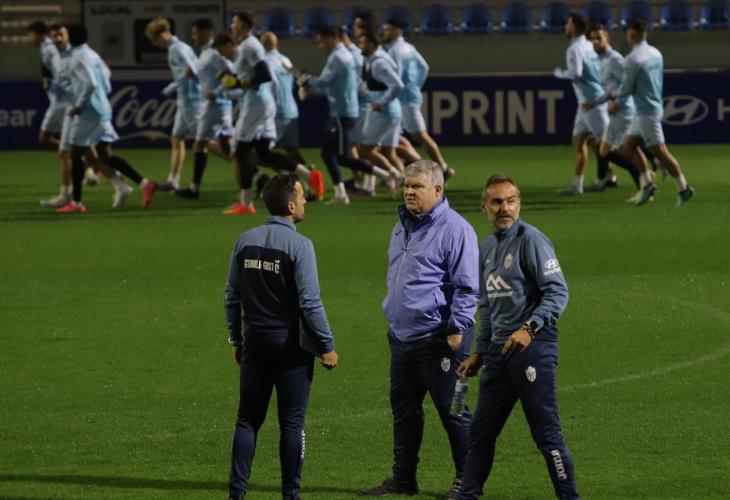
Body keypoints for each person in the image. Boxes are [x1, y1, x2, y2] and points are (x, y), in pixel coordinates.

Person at [455, 175, 579, 500]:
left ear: (519, 203)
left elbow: (558, 292)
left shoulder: (532, 240)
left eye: (510, 201)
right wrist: (479, 353)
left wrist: (530, 328)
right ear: (484, 207)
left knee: (546, 434)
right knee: (480, 433)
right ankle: (468, 495)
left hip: (533, 349)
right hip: (498, 356)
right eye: (496, 202)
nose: (504, 208)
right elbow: (488, 307)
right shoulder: (485, 248)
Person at [361, 160, 479, 499]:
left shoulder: (456, 229)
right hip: (402, 339)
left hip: (443, 339)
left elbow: (468, 287)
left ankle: (468, 482)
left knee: (455, 409)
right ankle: (403, 478)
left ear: (438, 190)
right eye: (407, 186)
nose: (409, 192)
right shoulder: (402, 225)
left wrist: (457, 328)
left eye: (417, 187)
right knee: (404, 411)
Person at [224, 173, 339, 500]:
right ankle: (291, 494)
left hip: (255, 342)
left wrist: (236, 339)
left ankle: (236, 494)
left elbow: (231, 296)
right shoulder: (300, 246)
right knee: (291, 424)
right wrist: (327, 345)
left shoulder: (244, 240)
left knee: (247, 421)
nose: (305, 201)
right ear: (290, 206)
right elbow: (310, 302)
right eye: (302, 196)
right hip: (290, 347)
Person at [222, 12, 323, 215]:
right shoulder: (248, 46)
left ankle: (246, 204)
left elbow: (265, 75)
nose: (231, 25)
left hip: (255, 105)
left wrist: (239, 82)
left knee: (240, 152)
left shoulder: (250, 46)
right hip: (261, 103)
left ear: (242, 24)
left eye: (234, 22)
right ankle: (308, 175)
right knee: (263, 153)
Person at [59, 23, 157, 213]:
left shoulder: (78, 58)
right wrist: (101, 97)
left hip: (89, 112)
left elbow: (91, 83)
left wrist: (79, 105)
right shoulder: (93, 54)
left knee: (75, 154)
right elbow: (105, 76)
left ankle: (77, 203)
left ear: (70, 37)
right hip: (102, 108)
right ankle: (145, 183)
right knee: (104, 155)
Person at [603, 19, 694, 207]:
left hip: (646, 112)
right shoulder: (656, 53)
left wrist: (613, 97)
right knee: (628, 145)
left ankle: (684, 188)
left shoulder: (632, 59)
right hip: (649, 107)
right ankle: (647, 184)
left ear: (631, 34)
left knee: (661, 152)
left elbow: (626, 89)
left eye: (628, 33)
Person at [299, 26, 385, 205]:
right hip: (343, 111)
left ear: (330, 38)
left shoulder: (337, 57)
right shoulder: (342, 55)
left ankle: (386, 175)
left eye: (321, 42)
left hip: (342, 113)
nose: (320, 46)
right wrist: (311, 87)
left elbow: (323, 82)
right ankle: (342, 193)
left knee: (340, 157)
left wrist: (305, 79)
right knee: (330, 154)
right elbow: (330, 86)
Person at [381, 19, 451, 179]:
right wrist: (415, 85)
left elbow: (396, 74)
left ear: (398, 31)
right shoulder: (409, 47)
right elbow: (424, 67)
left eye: (388, 30)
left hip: (402, 98)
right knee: (392, 140)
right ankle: (395, 173)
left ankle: (443, 168)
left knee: (419, 135)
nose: (385, 33)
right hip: (408, 95)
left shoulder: (396, 50)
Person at [176, 22, 235, 199]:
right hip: (214, 105)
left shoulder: (214, 53)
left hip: (216, 106)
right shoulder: (204, 53)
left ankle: (194, 188)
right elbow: (208, 81)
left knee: (201, 144)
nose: (193, 37)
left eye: (196, 33)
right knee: (225, 146)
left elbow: (230, 74)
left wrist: (217, 93)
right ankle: (258, 177)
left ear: (207, 33)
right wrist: (194, 78)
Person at [582, 24, 642, 196]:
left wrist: (619, 102)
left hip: (624, 110)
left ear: (607, 37)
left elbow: (628, 84)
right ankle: (603, 180)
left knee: (605, 149)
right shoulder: (600, 59)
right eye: (592, 39)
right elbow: (610, 90)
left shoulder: (615, 59)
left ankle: (641, 178)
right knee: (604, 145)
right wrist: (594, 103)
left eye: (598, 38)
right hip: (618, 111)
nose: (595, 41)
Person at [554, 14, 608, 195]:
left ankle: (642, 172)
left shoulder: (574, 49)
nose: (566, 27)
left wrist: (560, 73)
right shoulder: (588, 45)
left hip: (591, 102)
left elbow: (575, 73)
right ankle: (577, 185)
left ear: (574, 27)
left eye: (568, 24)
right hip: (585, 102)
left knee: (610, 145)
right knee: (579, 141)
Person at [145, 17, 202, 192]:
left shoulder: (177, 49)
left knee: (206, 142)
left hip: (192, 101)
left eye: (154, 41)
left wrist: (173, 86)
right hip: (185, 100)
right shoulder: (180, 47)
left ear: (160, 37)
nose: (155, 45)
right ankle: (173, 181)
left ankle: (251, 171)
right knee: (177, 138)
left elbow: (193, 69)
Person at [357, 31, 405, 197]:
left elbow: (398, 85)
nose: (360, 46)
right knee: (389, 152)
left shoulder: (379, 63)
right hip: (390, 112)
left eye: (362, 43)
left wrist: (382, 103)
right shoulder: (372, 61)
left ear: (371, 44)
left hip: (386, 113)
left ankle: (397, 176)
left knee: (364, 150)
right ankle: (407, 185)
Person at [261, 32, 308, 167]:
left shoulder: (264, 62)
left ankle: (282, 173)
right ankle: (309, 174)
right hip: (291, 111)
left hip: (275, 112)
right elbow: (295, 82)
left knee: (261, 152)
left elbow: (267, 88)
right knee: (291, 150)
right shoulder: (286, 60)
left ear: (262, 45)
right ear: (277, 44)